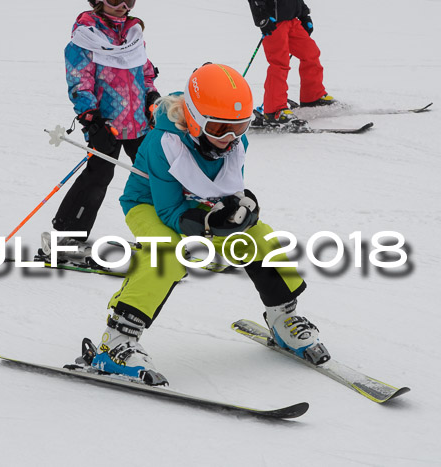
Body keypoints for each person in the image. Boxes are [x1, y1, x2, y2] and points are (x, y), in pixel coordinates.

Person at [76, 63, 330, 385]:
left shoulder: (236, 143)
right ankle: (116, 342)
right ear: (195, 121)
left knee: (261, 238)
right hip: (151, 206)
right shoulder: (163, 144)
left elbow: (226, 189)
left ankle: (283, 318)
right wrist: (210, 225)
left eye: (240, 127)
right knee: (167, 253)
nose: (230, 139)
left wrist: (241, 211)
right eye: (220, 128)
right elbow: (169, 211)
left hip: (198, 205)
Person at [43, 0, 160, 259]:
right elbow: (79, 82)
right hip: (106, 125)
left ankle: (164, 235)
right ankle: (66, 237)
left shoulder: (132, 34)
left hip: (139, 121)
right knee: (98, 176)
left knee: (155, 176)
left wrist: (151, 96)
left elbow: (145, 71)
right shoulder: (85, 38)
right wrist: (92, 120)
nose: (122, 5)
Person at [247, 0, 335, 125]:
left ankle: (313, 97)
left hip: (292, 20)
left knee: (310, 53)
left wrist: (304, 15)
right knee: (279, 63)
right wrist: (262, 17)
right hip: (274, 22)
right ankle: (275, 110)